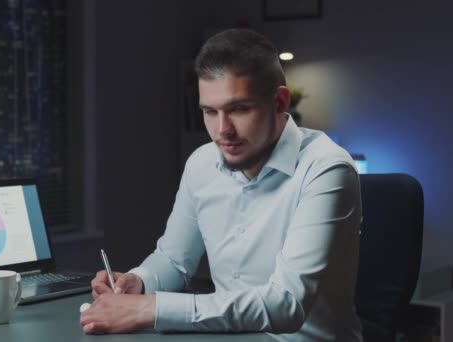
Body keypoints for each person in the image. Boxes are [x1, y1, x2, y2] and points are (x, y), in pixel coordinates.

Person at [80, 28, 363, 341]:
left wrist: (149, 309)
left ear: (280, 100)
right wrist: (139, 282)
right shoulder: (202, 163)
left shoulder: (327, 169)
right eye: (209, 112)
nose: (222, 130)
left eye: (239, 109)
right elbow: (174, 260)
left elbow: (287, 305)